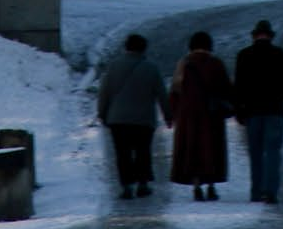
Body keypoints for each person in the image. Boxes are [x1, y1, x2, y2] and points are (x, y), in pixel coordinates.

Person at [231, 17, 283, 204]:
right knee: (273, 152)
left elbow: (238, 86)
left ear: (254, 36)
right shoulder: (280, 55)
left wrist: (238, 110)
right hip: (275, 110)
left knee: (255, 152)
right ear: (270, 36)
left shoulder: (244, 55)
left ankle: (256, 191)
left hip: (252, 111)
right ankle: (271, 191)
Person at [96, 30, 170, 197]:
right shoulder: (151, 68)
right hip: (143, 119)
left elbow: (104, 92)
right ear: (144, 49)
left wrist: (102, 112)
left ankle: (126, 186)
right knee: (143, 151)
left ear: (126, 48)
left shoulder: (114, 66)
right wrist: (168, 115)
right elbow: (161, 94)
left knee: (123, 153)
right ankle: (143, 184)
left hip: (118, 119)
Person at [168, 29, 233, 201]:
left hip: (188, 116)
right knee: (212, 150)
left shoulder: (183, 65)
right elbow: (227, 89)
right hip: (212, 116)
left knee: (193, 150)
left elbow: (175, 92)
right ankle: (211, 187)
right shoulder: (216, 64)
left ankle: (196, 187)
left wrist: (173, 115)